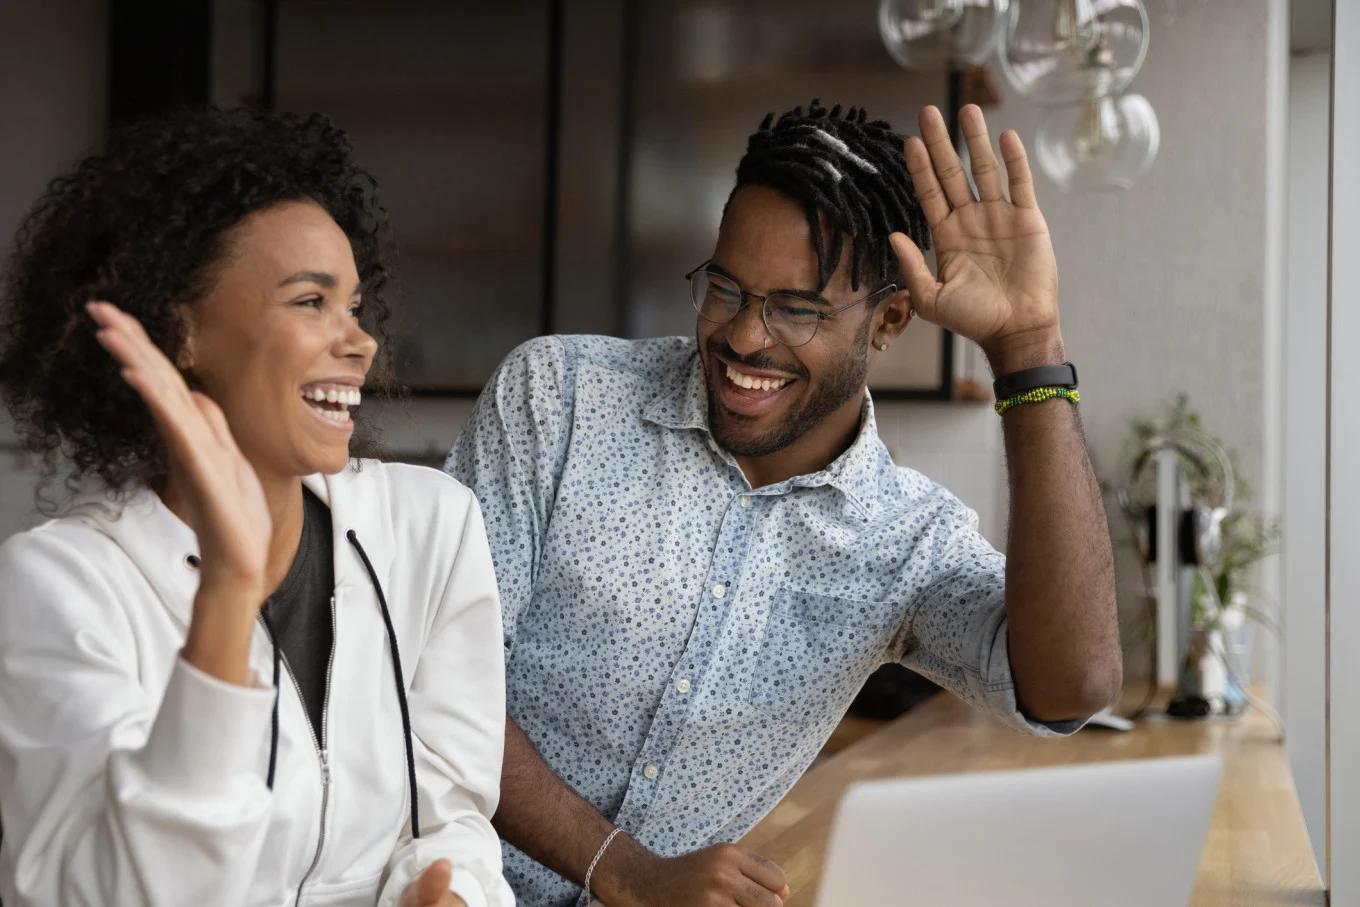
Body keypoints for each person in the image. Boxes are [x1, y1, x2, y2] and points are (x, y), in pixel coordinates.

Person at [448, 101, 1121, 907]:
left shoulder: (903, 539)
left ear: (890, 319)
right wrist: (624, 869)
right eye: (726, 288)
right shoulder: (559, 399)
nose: (744, 336)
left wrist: (1028, 350)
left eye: (796, 309)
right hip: (430, 885)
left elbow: (1073, 682)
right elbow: (438, 675)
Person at [0, 108, 513, 907]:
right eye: (310, 301)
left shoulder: (433, 527)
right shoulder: (59, 584)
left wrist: (448, 892)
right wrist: (231, 591)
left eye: (353, 303)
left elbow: (451, 814)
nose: (361, 339)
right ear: (181, 332)